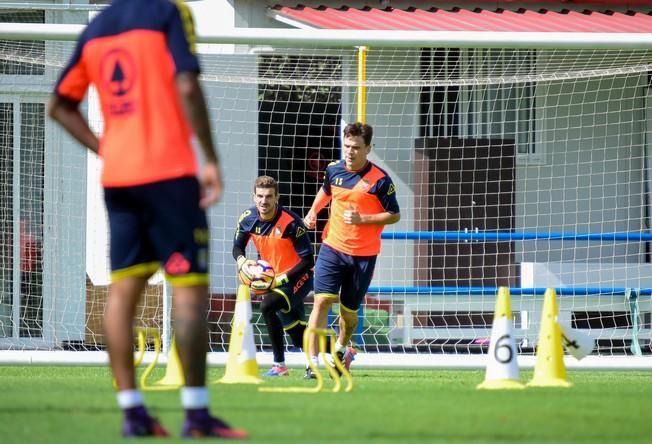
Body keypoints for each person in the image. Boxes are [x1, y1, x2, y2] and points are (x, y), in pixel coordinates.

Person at [48, 0, 247, 438]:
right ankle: (196, 414)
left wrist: (105, 148)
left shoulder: (96, 26)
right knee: (189, 293)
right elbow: (188, 87)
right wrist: (210, 160)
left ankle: (132, 412)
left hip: (120, 179)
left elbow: (59, 105)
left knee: (123, 292)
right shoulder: (169, 13)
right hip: (169, 174)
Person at [303, 122, 400, 379]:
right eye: (346, 146)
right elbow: (325, 192)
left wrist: (363, 220)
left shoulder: (381, 180)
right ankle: (312, 363)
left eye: (356, 147)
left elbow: (394, 215)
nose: (350, 151)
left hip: (363, 255)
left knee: (348, 313)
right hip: (332, 247)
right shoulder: (333, 169)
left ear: (368, 148)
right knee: (321, 300)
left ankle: (341, 349)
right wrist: (313, 211)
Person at [233, 176, 314, 377]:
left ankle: (279, 365)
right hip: (274, 280)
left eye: (269, 196)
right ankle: (340, 350)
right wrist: (243, 262)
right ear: (254, 197)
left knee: (267, 305)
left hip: (298, 277)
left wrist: (281, 279)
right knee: (297, 335)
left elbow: (308, 261)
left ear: (277, 197)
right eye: (260, 196)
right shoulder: (247, 219)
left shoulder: (292, 223)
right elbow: (237, 247)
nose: (264, 201)